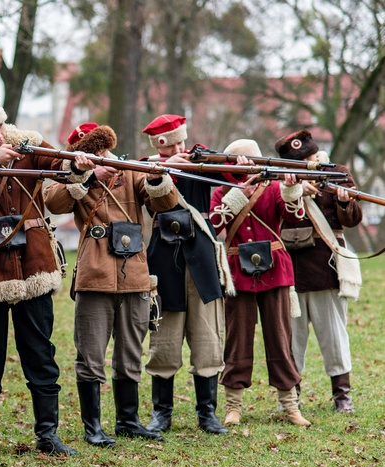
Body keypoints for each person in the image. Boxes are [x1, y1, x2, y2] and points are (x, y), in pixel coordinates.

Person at [0, 91, 93, 456]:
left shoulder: (28, 142)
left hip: (34, 263)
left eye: (0, 126)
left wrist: (77, 167)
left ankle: (48, 434)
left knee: (40, 353)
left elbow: (61, 167)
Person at [44, 123, 178, 445]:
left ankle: (128, 420)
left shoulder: (130, 172)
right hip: (95, 273)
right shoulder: (71, 176)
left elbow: (164, 203)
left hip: (135, 273)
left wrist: (158, 177)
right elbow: (55, 202)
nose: (99, 156)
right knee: (90, 354)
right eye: (91, 152)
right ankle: (93, 427)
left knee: (131, 350)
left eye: (102, 150)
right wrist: (85, 175)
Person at [140, 114, 232, 435]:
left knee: (208, 339)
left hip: (202, 258)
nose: (180, 148)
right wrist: (166, 166)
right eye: (173, 144)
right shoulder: (148, 167)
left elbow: (230, 175)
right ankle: (161, 413)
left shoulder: (202, 158)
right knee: (164, 341)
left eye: (182, 141)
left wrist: (237, 161)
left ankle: (207, 413)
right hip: (164, 260)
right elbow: (150, 190)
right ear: (160, 146)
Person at [208, 139, 310, 427]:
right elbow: (216, 224)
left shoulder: (275, 188)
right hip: (237, 272)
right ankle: (233, 406)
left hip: (275, 269)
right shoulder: (222, 193)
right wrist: (239, 194)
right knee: (237, 339)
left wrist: (292, 188)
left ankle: (290, 405)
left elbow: (294, 216)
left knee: (280, 338)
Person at [275, 130, 362, 413]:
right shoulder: (278, 180)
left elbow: (353, 219)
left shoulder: (337, 173)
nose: (309, 163)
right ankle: (291, 397)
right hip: (291, 271)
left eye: (310, 157)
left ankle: (342, 397)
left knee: (334, 336)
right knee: (291, 340)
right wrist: (294, 189)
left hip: (326, 268)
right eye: (301, 161)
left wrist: (345, 200)